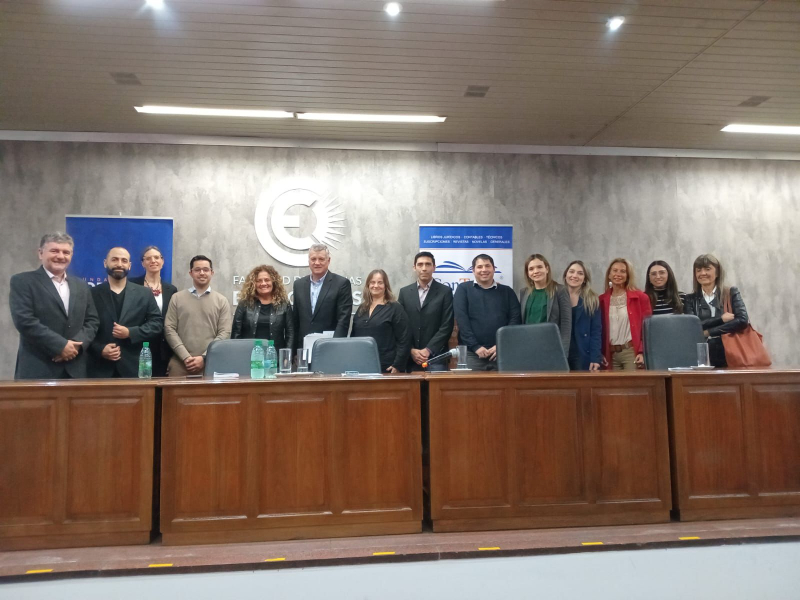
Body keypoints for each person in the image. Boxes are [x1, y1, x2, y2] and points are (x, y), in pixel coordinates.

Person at [9, 232, 99, 379]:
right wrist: (61, 346)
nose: (61, 256)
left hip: (75, 370)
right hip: (38, 368)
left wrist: (75, 346)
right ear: (40, 253)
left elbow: (92, 321)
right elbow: (24, 321)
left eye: (66, 252)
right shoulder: (23, 281)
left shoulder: (81, 285)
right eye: (54, 251)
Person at [88, 247, 163, 378]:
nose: (119, 264)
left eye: (124, 260)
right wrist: (100, 349)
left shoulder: (144, 293)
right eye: (114, 260)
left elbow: (157, 324)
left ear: (129, 265)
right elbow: (83, 327)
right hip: (99, 369)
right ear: (105, 263)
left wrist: (131, 332)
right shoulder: (91, 293)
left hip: (133, 368)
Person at [164, 255, 232, 376]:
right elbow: (169, 329)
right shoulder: (177, 298)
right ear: (191, 273)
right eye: (197, 270)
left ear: (212, 273)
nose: (202, 273)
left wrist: (204, 357)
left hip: (211, 364)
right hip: (180, 364)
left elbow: (224, 333)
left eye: (205, 270)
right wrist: (185, 357)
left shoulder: (221, 301)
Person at [453, 254, 521, 371]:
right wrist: (475, 347)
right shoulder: (463, 289)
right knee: (469, 384)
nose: (484, 270)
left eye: (487, 266)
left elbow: (515, 320)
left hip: (502, 354)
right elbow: (462, 320)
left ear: (494, 269)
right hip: (472, 355)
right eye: (479, 267)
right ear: (473, 270)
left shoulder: (507, 291)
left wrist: (501, 345)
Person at [683, 253, 749, 368]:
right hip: (701, 355)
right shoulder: (690, 299)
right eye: (698, 270)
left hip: (729, 353)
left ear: (717, 272)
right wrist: (721, 319)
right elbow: (692, 326)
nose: (703, 273)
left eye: (707, 269)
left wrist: (709, 332)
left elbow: (742, 320)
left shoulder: (731, 292)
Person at [397, 252, 454, 371]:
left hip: (436, 356)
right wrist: (411, 350)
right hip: (410, 357)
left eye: (428, 264)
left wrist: (428, 350)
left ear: (434, 267)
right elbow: (400, 326)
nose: (424, 268)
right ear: (414, 267)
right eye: (420, 264)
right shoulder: (404, 293)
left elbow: (447, 325)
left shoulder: (445, 292)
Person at [129, 245, 178, 377]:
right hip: (137, 344)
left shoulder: (171, 289)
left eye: (156, 257)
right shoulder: (132, 285)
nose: (153, 261)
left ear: (162, 261)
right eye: (148, 258)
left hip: (162, 347)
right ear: (142, 263)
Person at [351, 269, 411, 373]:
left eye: (380, 282)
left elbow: (405, 339)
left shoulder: (395, 308)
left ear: (386, 286)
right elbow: (353, 337)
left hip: (387, 368)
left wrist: (398, 365)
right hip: (361, 366)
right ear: (368, 285)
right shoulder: (362, 308)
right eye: (372, 282)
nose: (376, 285)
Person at [292, 244, 353, 347]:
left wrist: (335, 346)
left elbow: (343, 320)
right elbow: (295, 321)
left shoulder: (341, 284)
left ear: (328, 261)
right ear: (308, 261)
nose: (317, 263)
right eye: (313, 259)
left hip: (330, 347)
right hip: (303, 348)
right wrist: (294, 350)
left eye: (321, 259)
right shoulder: (298, 285)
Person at [599, 258, 652, 371]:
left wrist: (642, 351)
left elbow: (648, 329)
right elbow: (599, 330)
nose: (618, 274)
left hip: (631, 353)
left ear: (628, 275)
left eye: (623, 271)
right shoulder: (601, 300)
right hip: (610, 355)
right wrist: (600, 352)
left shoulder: (640, 298)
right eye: (615, 270)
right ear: (609, 274)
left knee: (632, 382)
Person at [232, 265, 295, 352]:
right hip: (249, 354)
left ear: (274, 282)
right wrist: (237, 353)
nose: (263, 283)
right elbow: (236, 332)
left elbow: (290, 333)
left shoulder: (284, 304)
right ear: (254, 284)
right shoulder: (245, 303)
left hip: (275, 355)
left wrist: (286, 355)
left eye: (267, 280)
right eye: (259, 281)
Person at [518, 254, 571, 353]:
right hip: (528, 346)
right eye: (531, 269)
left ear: (547, 269)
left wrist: (563, 353)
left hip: (552, 347)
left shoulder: (560, 290)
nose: (536, 271)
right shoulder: (524, 292)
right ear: (528, 273)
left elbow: (566, 324)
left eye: (539, 267)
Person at [563, 260, 602, 371]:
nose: (575, 276)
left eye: (580, 273)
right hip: (562, 352)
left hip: (583, 352)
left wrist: (595, 358)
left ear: (585, 279)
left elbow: (596, 331)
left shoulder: (592, 299)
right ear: (566, 275)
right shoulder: (557, 296)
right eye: (571, 272)